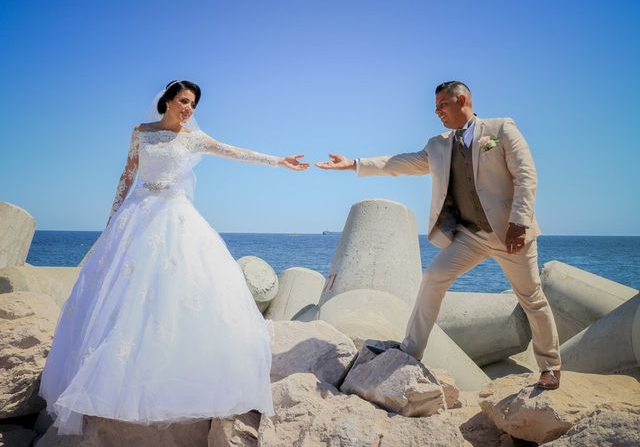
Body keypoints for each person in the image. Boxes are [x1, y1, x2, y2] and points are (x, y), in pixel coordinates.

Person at [40, 80, 309, 434]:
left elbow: (234, 151)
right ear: (166, 101)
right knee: (118, 295)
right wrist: (111, 223)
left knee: (178, 292)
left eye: (193, 104)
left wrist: (279, 161)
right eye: (184, 101)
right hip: (136, 216)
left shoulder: (193, 138)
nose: (189, 109)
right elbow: (127, 175)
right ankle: (108, 378)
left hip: (175, 216)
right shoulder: (141, 132)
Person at [316, 81, 562, 390]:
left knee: (531, 297)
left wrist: (519, 222)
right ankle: (410, 350)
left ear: (462, 100)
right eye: (435, 107)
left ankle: (550, 366)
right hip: (471, 236)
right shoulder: (438, 145)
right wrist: (354, 164)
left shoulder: (501, 129)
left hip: (510, 233)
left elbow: (526, 176)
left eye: (442, 105)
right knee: (433, 278)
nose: (437, 112)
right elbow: (400, 163)